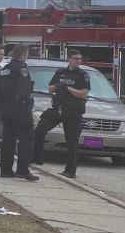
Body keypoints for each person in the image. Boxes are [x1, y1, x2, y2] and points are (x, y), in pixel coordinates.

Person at [32, 49, 90, 178]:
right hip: (58, 108)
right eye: (75, 58)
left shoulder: (82, 75)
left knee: (72, 142)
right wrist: (58, 86)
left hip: (73, 111)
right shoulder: (60, 72)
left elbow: (84, 93)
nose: (78, 61)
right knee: (39, 130)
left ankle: (70, 171)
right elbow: (50, 88)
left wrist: (69, 89)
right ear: (69, 59)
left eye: (80, 59)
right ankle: (36, 158)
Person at [0, 44, 40, 181]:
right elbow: (23, 88)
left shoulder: (5, 69)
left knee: (8, 139)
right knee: (26, 139)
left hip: (6, 109)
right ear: (23, 55)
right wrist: (23, 105)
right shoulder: (22, 68)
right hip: (20, 109)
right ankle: (23, 170)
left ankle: (6, 170)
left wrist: (2, 105)